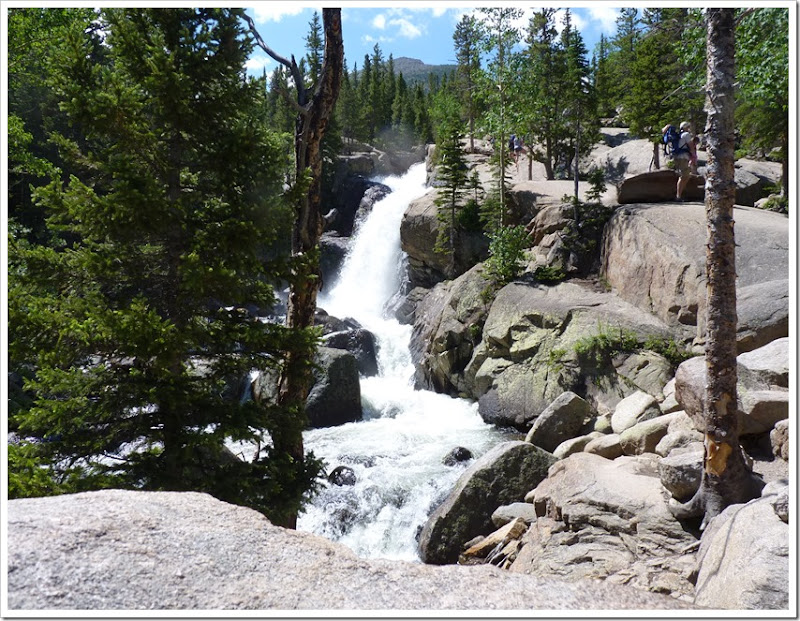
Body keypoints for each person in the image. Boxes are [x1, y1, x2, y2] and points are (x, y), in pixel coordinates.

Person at [673, 121, 694, 201]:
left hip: (678, 157)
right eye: (688, 127)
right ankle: (678, 196)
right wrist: (693, 155)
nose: (689, 128)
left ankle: (680, 194)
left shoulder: (680, 135)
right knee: (683, 176)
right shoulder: (686, 135)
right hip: (683, 157)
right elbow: (690, 145)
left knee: (685, 176)